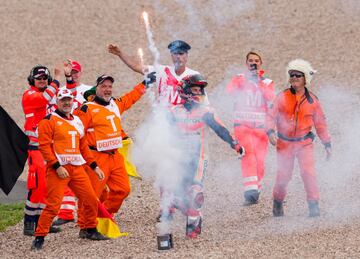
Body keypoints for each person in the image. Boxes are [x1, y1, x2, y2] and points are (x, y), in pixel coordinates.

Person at [160, 74, 245, 239]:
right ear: (185, 91)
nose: (198, 93)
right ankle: (188, 211)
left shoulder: (205, 112)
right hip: (178, 158)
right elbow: (162, 134)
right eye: (195, 89)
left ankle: (193, 226)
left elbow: (221, 129)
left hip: (199, 159)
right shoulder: (173, 112)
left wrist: (235, 144)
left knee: (195, 192)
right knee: (176, 193)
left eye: (200, 90)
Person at [74, 73, 155, 236]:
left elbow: (130, 97)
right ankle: (85, 226)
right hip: (97, 156)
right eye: (103, 86)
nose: (107, 89)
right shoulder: (86, 108)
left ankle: (104, 215)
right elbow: (75, 132)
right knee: (92, 194)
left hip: (115, 155)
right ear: (96, 88)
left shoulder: (115, 104)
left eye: (110, 86)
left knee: (123, 190)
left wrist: (145, 83)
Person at [31, 89, 108, 250]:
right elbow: (44, 146)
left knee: (91, 199)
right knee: (53, 205)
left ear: (73, 101)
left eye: (69, 100)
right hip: (58, 169)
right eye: (63, 100)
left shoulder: (78, 121)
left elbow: (83, 147)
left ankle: (89, 229)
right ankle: (39, 237)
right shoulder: (49, 120)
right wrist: (56, 166)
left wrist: (94, 166)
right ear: (57, 102)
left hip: (77, 168)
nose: (66, 103)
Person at [266, 59, 331, 217]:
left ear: (305, 79)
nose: (294, 77)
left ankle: (314, 206)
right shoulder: (281, 97)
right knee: (283, 176)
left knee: (309, 173)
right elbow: (270, 116)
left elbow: (321, 124)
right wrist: (270, 132)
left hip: (304, 144)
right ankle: (278, 203)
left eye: (298, 75)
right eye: (291, 74)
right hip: (284, 144)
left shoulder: (313, 101)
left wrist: (327, 144)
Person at [22, 63, 75, 236]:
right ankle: (29, 223)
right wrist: (57, 78)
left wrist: (68, 78)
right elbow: (45, 98)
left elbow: (70, 96)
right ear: (33, 80)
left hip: (50, 148)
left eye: (45, 78)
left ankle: (41, 222)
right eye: (39, 78)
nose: (43, 81)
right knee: (37, 186)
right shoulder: (29, 95)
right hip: (36, 148)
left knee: (48, 186)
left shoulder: (50, 95)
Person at [226, 51, 275, 205]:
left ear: (261, 63)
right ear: (246, 63)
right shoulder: (239, 79)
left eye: (256, 61)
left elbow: (271, 101)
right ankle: (250, 191)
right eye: (250, 61)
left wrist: (271, 130)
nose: (253, 63)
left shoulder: (267, 82)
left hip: (260, 127)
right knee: (248, 154)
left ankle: (256, 190)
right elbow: (229, 92)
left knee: (260, 160)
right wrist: (246, 80)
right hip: (242, 125)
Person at [52, 60, 93, 226]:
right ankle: (66, 212)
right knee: (68, 174)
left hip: (86, 137)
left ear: (81, 72)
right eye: (71, 72)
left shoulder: (89, 90)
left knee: (89, 177)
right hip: (68, 138)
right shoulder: (62, 91)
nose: (74, 74)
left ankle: (90, 212)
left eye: (76, 72)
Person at [108, 40, 208, 106]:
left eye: (181, 54)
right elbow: (137, 67)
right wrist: (120, 54)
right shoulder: (162, 71)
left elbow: (204, 104)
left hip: (186, 125)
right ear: (171, 55)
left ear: (187, 56)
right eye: (175, 53)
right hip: (165, 125)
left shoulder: (194, 75)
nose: (178, 57)